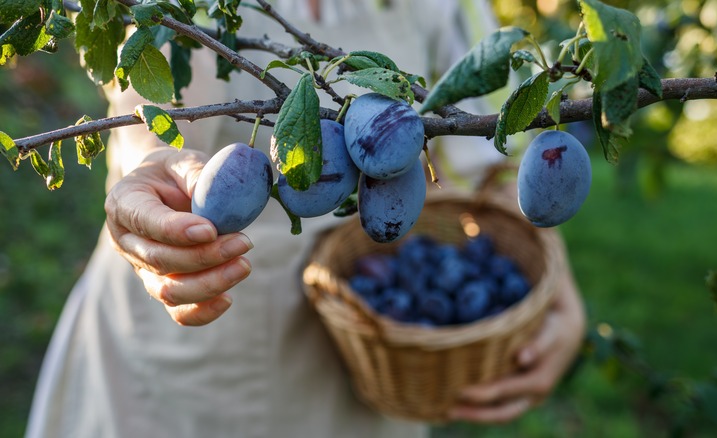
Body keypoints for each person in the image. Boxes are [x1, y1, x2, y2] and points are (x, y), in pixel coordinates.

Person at [25, 1, 586, 437]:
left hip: (364, 347)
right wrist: (152, 169)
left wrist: (553, 281)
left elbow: (495, 146)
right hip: (186, 351)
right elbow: (157, 117)